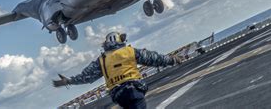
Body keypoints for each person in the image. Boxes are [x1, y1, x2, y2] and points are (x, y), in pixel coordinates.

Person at [52, 32, 183, 109]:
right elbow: (154, 59)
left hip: (119, 94)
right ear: (121, 40)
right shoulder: (130, 51)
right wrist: (173, 59)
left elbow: (87, 77)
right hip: (136, 89)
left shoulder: (102, 60)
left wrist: (68, 81)